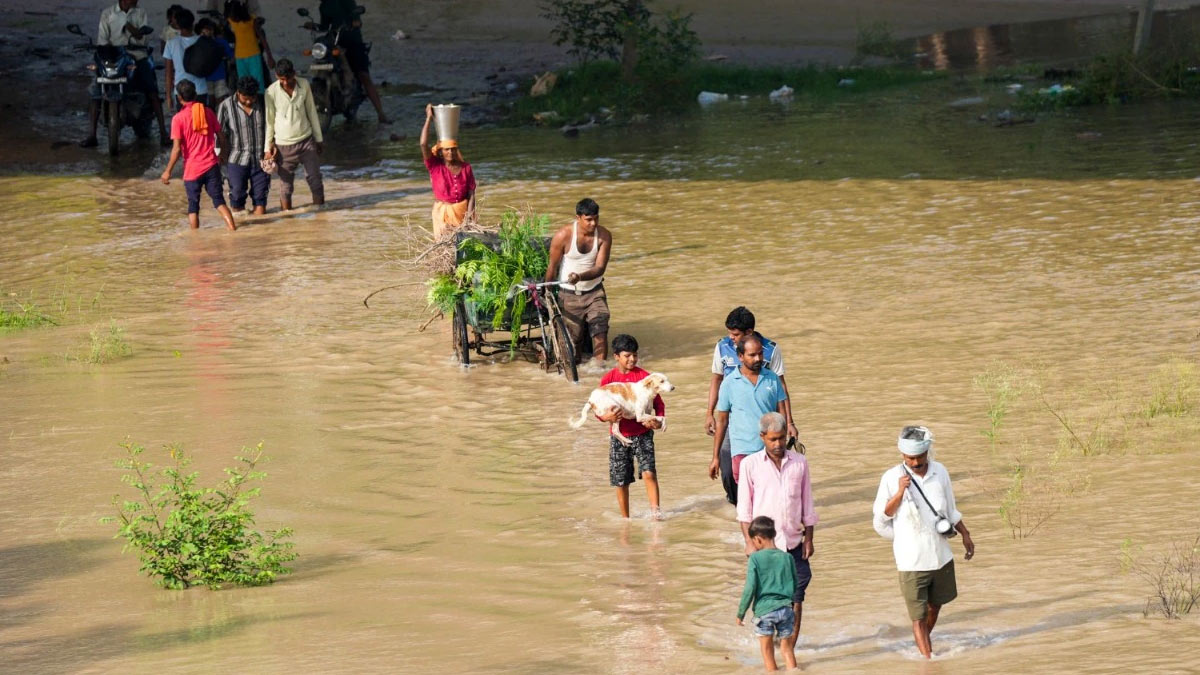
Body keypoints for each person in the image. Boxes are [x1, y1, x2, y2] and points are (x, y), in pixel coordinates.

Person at [872, 426, 975, 659]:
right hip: (910, 561)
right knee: (917, 617)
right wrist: (899, 492)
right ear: (902, 455)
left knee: (935, 606)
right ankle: (929, 661)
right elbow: (882, 516)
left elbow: (950, 510)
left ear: (928, 452)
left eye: (919, 457)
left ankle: (920, 646)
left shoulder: (940, 472)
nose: (915, 462)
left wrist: (966, 535)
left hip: (940, 555)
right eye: (910, 458)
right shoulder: (890, 478)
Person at [737, 412, 817, 649]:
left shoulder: (799, 463)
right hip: (765, 548)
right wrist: (750, 543)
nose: (778, 444)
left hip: (793, 543)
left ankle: (788, 648)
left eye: (781, 438)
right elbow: (744, 510)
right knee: (768, 600)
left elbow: (807, 504)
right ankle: (769, 648)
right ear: (762, 437)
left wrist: (809, 539)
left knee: (797, 596)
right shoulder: (749, 465)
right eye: (773, 439)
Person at [705, 306, 800, 505]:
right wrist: (709, 413)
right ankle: (737, 504)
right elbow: (716, 379)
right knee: (728, 469)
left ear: (749, 332)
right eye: (729, 333)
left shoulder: (770, 349)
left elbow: (781, 387)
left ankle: (757, 510)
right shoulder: (722, 347)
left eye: (736, 334)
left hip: (764, 418)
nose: (731, 337)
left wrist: (789, 422)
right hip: (733, 417)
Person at [82, 0, 169, 147]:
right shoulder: (107, 14)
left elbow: (143, 39)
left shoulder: (140, 13)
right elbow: (102, 39)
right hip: (113, 57)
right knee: (96, 90)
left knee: (152, 90)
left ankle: (163, 133)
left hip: (137, 55)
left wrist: (129, 27)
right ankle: (92, 135)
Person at [596, 334, 664, 519]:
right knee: (621, 480)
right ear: (616, 356)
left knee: (649, 472)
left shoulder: (646, 377)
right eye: (627, 355)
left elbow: (659, 405)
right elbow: (598, 408)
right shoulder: (608, 380)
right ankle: (625, 520)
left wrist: (658, 420)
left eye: (635, 355)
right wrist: (605, 417)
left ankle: (656, 514)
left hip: (643, 432)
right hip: (619, 435)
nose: (632, 359)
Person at [709, 335, 789, 488]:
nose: (758, 358)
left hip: (770, 450)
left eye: (760, 353)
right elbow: (722, 421)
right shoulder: (729, 383)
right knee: (747, 500)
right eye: (752, 355)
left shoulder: (772, 378)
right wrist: (715, 457)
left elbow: (781, 411)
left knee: (770, 497)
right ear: (740, 356)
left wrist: (784, 441)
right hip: (742, 451)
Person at [160, 80, 237, 231]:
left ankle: (195, 241)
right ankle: (233, 229)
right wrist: (222, 154)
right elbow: (221, 136)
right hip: (211, 165)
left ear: (179, 98)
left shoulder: (178, 119)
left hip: (192, 171)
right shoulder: (207, 112)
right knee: (219, 202)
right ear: (195, 94)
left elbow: (176, 150)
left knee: (193, 208)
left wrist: (167, 171)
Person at [544, 198, 612, 368]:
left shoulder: (604, 236)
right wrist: (547, 294)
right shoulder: (563, 236)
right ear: (578, 217)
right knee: (571, 346)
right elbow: (552, 267)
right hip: (569, 294)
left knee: (600, 331)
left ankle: (598, 371)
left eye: (596, 218)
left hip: (594, 292)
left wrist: (580, 277)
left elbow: (600, 268)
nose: (593, 223)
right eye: (588, 219)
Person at [308, 0, 391, 123]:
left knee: (363, 75)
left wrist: (355, 22)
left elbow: (357, 19)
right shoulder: (324, 5)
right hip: (335, 43)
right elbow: (325, 26)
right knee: (323, 64)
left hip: (353, 41)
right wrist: (313, 26)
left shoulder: (346, 1)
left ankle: (381, 114)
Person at [736, 515, 799, 672]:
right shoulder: (787, 557)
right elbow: (795, 584)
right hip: (786, 609)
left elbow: (750, 588)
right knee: (787, 649)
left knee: (767, 651)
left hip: (765, 611)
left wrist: (741, 613)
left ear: (757, 539)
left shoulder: (755, 559)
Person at [263, 59, 325, 210]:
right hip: (283, 146)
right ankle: (287, 217)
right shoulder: (270, 92)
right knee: (286, 187)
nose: (284, 83)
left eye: (287, 79)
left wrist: (319, 138)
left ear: (294, 75)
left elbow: (311, 111)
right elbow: (269, 121)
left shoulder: (304, 85)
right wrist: (267, 148)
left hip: (306, 141)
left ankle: (321, 216)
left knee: (315, 180)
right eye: (280, 79)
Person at [419, 103, 476, 239]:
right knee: (445, 246)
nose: (450, 152)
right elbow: (423, 144)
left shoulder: (466, 168)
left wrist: (469, 219)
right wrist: (428, 119)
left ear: (457, 150)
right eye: (446, 149)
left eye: (453, 149)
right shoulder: (435, 166)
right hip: (442, 216)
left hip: (462, 214)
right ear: (440, 152)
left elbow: (471, 195)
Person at [217, 76, 269, 215]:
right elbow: (218, 134)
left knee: (261, 202)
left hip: (262, 159)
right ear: (238, 92)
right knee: (237, 197)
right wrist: (219, 155)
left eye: (251, 98)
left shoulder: (264, 102)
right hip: (236, 160)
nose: (248, 101)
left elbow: (272, 127)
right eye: (245, 97)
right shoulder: (226, 106)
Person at [163, 9, 208, 109]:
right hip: (200, 89)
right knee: (200, 123)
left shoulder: (171, 43)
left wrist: (168, 97)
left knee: (183, 122)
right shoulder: (202, 41)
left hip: (181, 92)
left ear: (178, 26)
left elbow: (168, 73)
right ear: (192, 23)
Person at [225, 0, 273, 92]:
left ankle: (252, 103)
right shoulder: (252, 20)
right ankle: (258, 103)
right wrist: (269, 56)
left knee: (245, 84)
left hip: (241, 57)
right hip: (252, 55)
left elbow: (262, 38)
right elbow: (263, 39)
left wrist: (270, 57)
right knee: (256, 83)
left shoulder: (233, 21)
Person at [195, 18, 233, 105]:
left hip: (211, 77)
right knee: (216, 103)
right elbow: (230, 55)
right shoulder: (221, 42)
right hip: (213, 76)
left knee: (215, 103)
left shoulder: (198, 42)